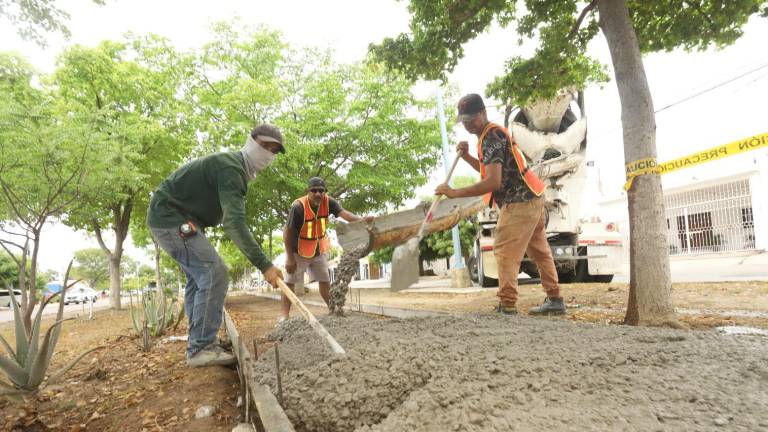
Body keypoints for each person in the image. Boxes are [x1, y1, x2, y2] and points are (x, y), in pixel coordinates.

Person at [147, 124, 285, 367]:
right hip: (169, 218)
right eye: (264, 146)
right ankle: (200, 347)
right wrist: (265, 265)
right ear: (251, 141)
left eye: (273, 151)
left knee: (198, 278)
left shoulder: (236, 170)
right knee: (214, 272)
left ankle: (200, 341)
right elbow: (234, 222)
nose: (267, 154)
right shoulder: (231, 168)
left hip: (181, 220)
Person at [434, 94, 565, 316]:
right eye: (463, 121)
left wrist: (454, 193)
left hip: (520, 201)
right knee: (540, 252)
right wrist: (466, 157)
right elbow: (491, 171)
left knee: (504, 249)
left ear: (483, 113)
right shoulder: (489, 135)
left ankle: (507, 305)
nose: (467, 125)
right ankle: (555, 299)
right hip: (533, 196)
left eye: (471, 119)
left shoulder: (491, 137)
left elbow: (492, 182)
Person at [280, 177, 373, 321]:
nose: (318, 194)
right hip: (299, 250)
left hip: (318, 249)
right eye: (314, 191)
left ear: (325, 192)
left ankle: (333, 311)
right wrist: (290, 257)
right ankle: (284, 316)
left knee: (324, 280)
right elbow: (287, 232)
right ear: (308, 191)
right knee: (290, 281)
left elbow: (345, 214)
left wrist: (361, 220)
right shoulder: (298, 207)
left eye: (321, 191)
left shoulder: (329, 202)